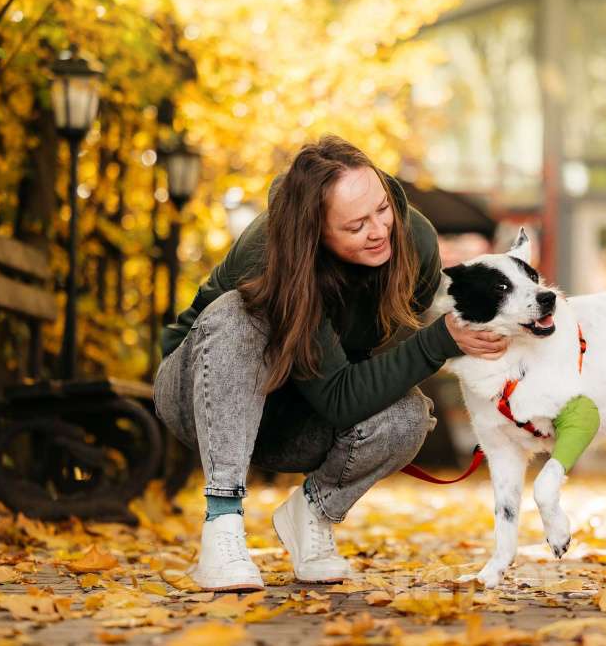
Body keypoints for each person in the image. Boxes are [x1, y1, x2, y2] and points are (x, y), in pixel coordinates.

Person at [152, 135, 508, 592]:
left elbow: (365, 385)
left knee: (407, 415)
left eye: (382, 209)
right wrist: (438, 342)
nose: (379, 230)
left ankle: (312, 514)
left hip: (295, 413)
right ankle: (222, 524)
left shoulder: (413, 241)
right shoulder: (269, 251)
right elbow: (341, 398)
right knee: (238, 313)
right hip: (200, 398)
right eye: (357, 225)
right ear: (316, 232)